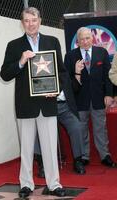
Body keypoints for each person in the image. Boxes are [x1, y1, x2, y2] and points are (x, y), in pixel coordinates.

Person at [0, 7, 66, 198]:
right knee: (27, 149)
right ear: (22, 23)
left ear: (40, 21)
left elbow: (61, 72)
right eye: (27, 20)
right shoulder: (13, 46)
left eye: (34, 20)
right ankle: (26, 184)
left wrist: (55, 90)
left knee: (50, 148)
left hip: (47, 104)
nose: (30, 24)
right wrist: (21, 61)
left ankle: (54, 184)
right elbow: (4, 74)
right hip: (25, 105)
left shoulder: (52, 41)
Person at [64, 27, 116, 167]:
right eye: (82, 39)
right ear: (77, 41)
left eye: (87, 38)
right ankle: (84, 156)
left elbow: (108, 75)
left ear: (92, 38)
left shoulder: (102, 52)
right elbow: (67, 79)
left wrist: (109, 94)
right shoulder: (70, 56)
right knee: (81, 129)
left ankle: (105, 155)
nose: (85, 41)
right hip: (79, 100)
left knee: (101, 128)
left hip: (99, 98)